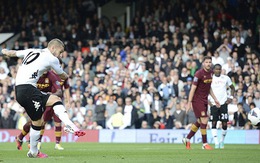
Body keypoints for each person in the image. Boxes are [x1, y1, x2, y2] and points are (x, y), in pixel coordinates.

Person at [1, 38, 85, 158]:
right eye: (60, 52)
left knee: (53, 103)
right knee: (38, 122)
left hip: (22, 89)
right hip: (27, 90)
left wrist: (4, 51)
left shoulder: (32, 51)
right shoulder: (52, 58)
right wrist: (68, 75)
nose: (60, 55)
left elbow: (12, 53)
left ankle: (68, 125)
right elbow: (62, 75)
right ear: (52, 48)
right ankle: (34, 151)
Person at [15, 69, 70, 151]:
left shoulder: (52, 76)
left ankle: (31, 142)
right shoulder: (34, 75)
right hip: (34, 99)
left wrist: (53, 96)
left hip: (46, 101)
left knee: (47, 122)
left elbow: (60, 91)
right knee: (34, 122)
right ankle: (21, 138)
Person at [182, 56, 220, 150]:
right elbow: (193, 89)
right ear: (203, 63)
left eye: (209, 62)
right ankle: (204, 143)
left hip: (204, 100)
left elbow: (208, 88)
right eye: (206, 62)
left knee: (200, 121)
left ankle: (187, 139)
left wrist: (215, 99)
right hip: (197, 100)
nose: (208, 64)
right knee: (205, 119)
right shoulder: (198, 74)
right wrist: (189, 103)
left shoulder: (211, 73)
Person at [209, 64, 235, 149]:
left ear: (221, 70)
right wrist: (209, 102)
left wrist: (230, 98)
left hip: (223, 103)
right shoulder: (210, 78)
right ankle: (216, 143)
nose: (218, 71)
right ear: (213, 70)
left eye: (219, 69)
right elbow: (205, 90)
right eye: (216, 69)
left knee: (224, 123)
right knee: (214, 122)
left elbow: (232, 88)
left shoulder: (226, 78)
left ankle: (222, 141)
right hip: (213, 103)